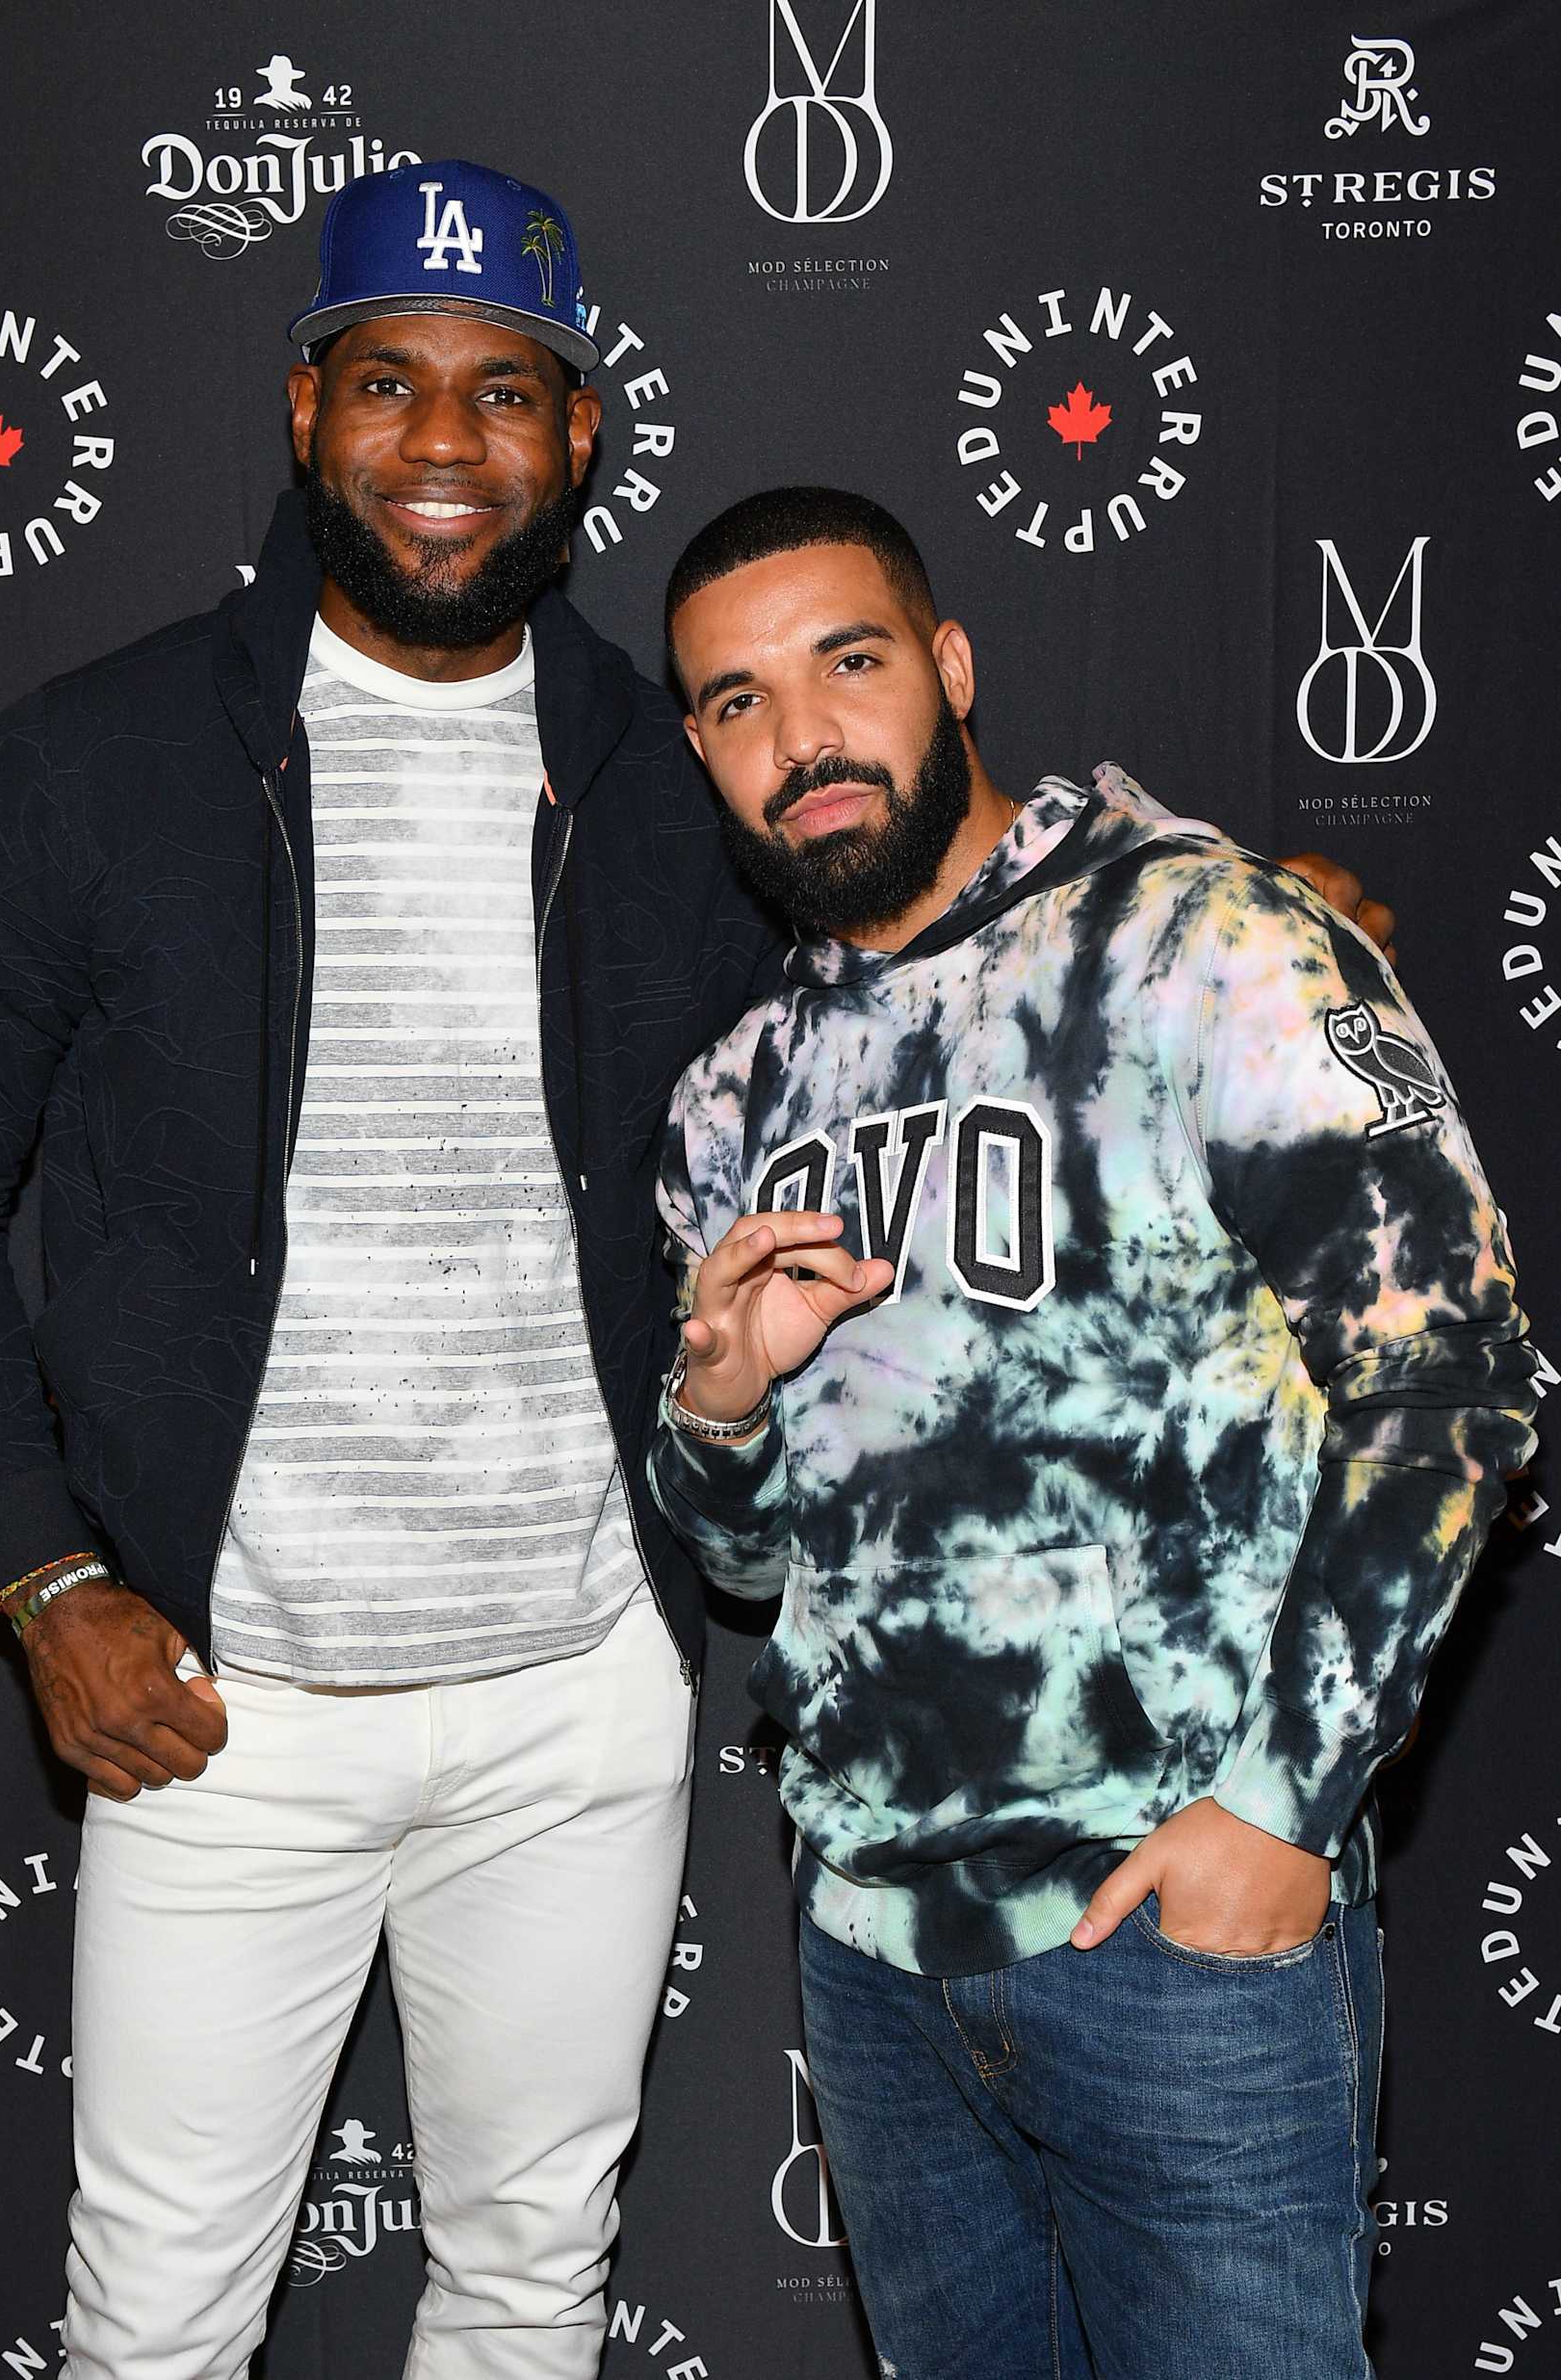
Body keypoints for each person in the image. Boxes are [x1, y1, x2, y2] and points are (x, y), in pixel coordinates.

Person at [0, 158, 1391, 2377]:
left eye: (506, 392)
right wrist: (46, 1578)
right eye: (391, 384)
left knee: (532, 2294)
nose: (443, 445)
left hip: (581, 1698)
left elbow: (931, 904)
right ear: (306, 412)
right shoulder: (85, 772)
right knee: (156, 2319)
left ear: (581, 435)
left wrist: (1235, 911)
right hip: (221, 1709)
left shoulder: (678, 777)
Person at [646, 484, 1534, 2380]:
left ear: (950, 668)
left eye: (849, 663)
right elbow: (742, 1567)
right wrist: (717, 1404)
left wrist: (1283, 1812)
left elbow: (1452, 1382)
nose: (800, 737)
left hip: (1170, 1938)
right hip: (876, 1964)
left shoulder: (1204, 940)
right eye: (733, 702)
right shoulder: (738, 1093)